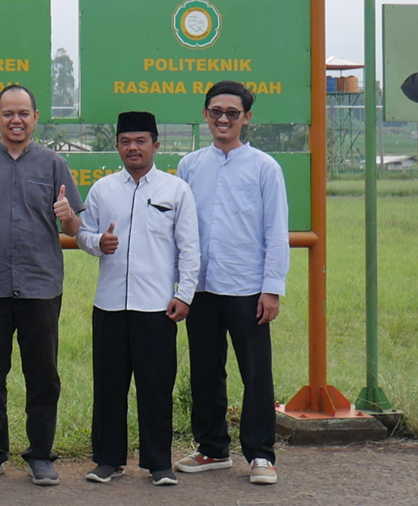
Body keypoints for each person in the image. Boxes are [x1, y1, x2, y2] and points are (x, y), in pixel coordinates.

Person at [0, 84, 83, 486]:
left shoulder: (54, 165)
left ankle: (40, 455)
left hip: (41, 287)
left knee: (42, 375)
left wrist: (67, 216)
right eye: (8, 113)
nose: (16, 120)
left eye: (23, 113)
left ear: (35, 117)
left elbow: (75, 229)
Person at [173, 80, 289, 486]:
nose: (223, 119)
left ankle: (260, 454)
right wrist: (180, 285)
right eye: (216, 111)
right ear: (205, 114)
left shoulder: (264, 168)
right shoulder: (189, 166)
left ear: (247, 118)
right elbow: (181, 230)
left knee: (256, 372)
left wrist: (272, 287)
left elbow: (276, 231)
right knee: (205, 369)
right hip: (201, 288)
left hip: (247, 288)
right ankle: (212, 448)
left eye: (232, 113)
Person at [76, 111, 199, 487]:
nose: (133, 147)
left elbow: (189, 248)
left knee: (156, 385)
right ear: (117, 146)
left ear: (155, 145)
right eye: (126, 141)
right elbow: (83, 235)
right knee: (109, 385)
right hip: (110, 305)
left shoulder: (175, 190)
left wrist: (184, 294)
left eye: (140, 140)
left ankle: (159, 463)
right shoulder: (102, 189)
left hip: (158, 306)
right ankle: (108, 461)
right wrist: (99, 243)